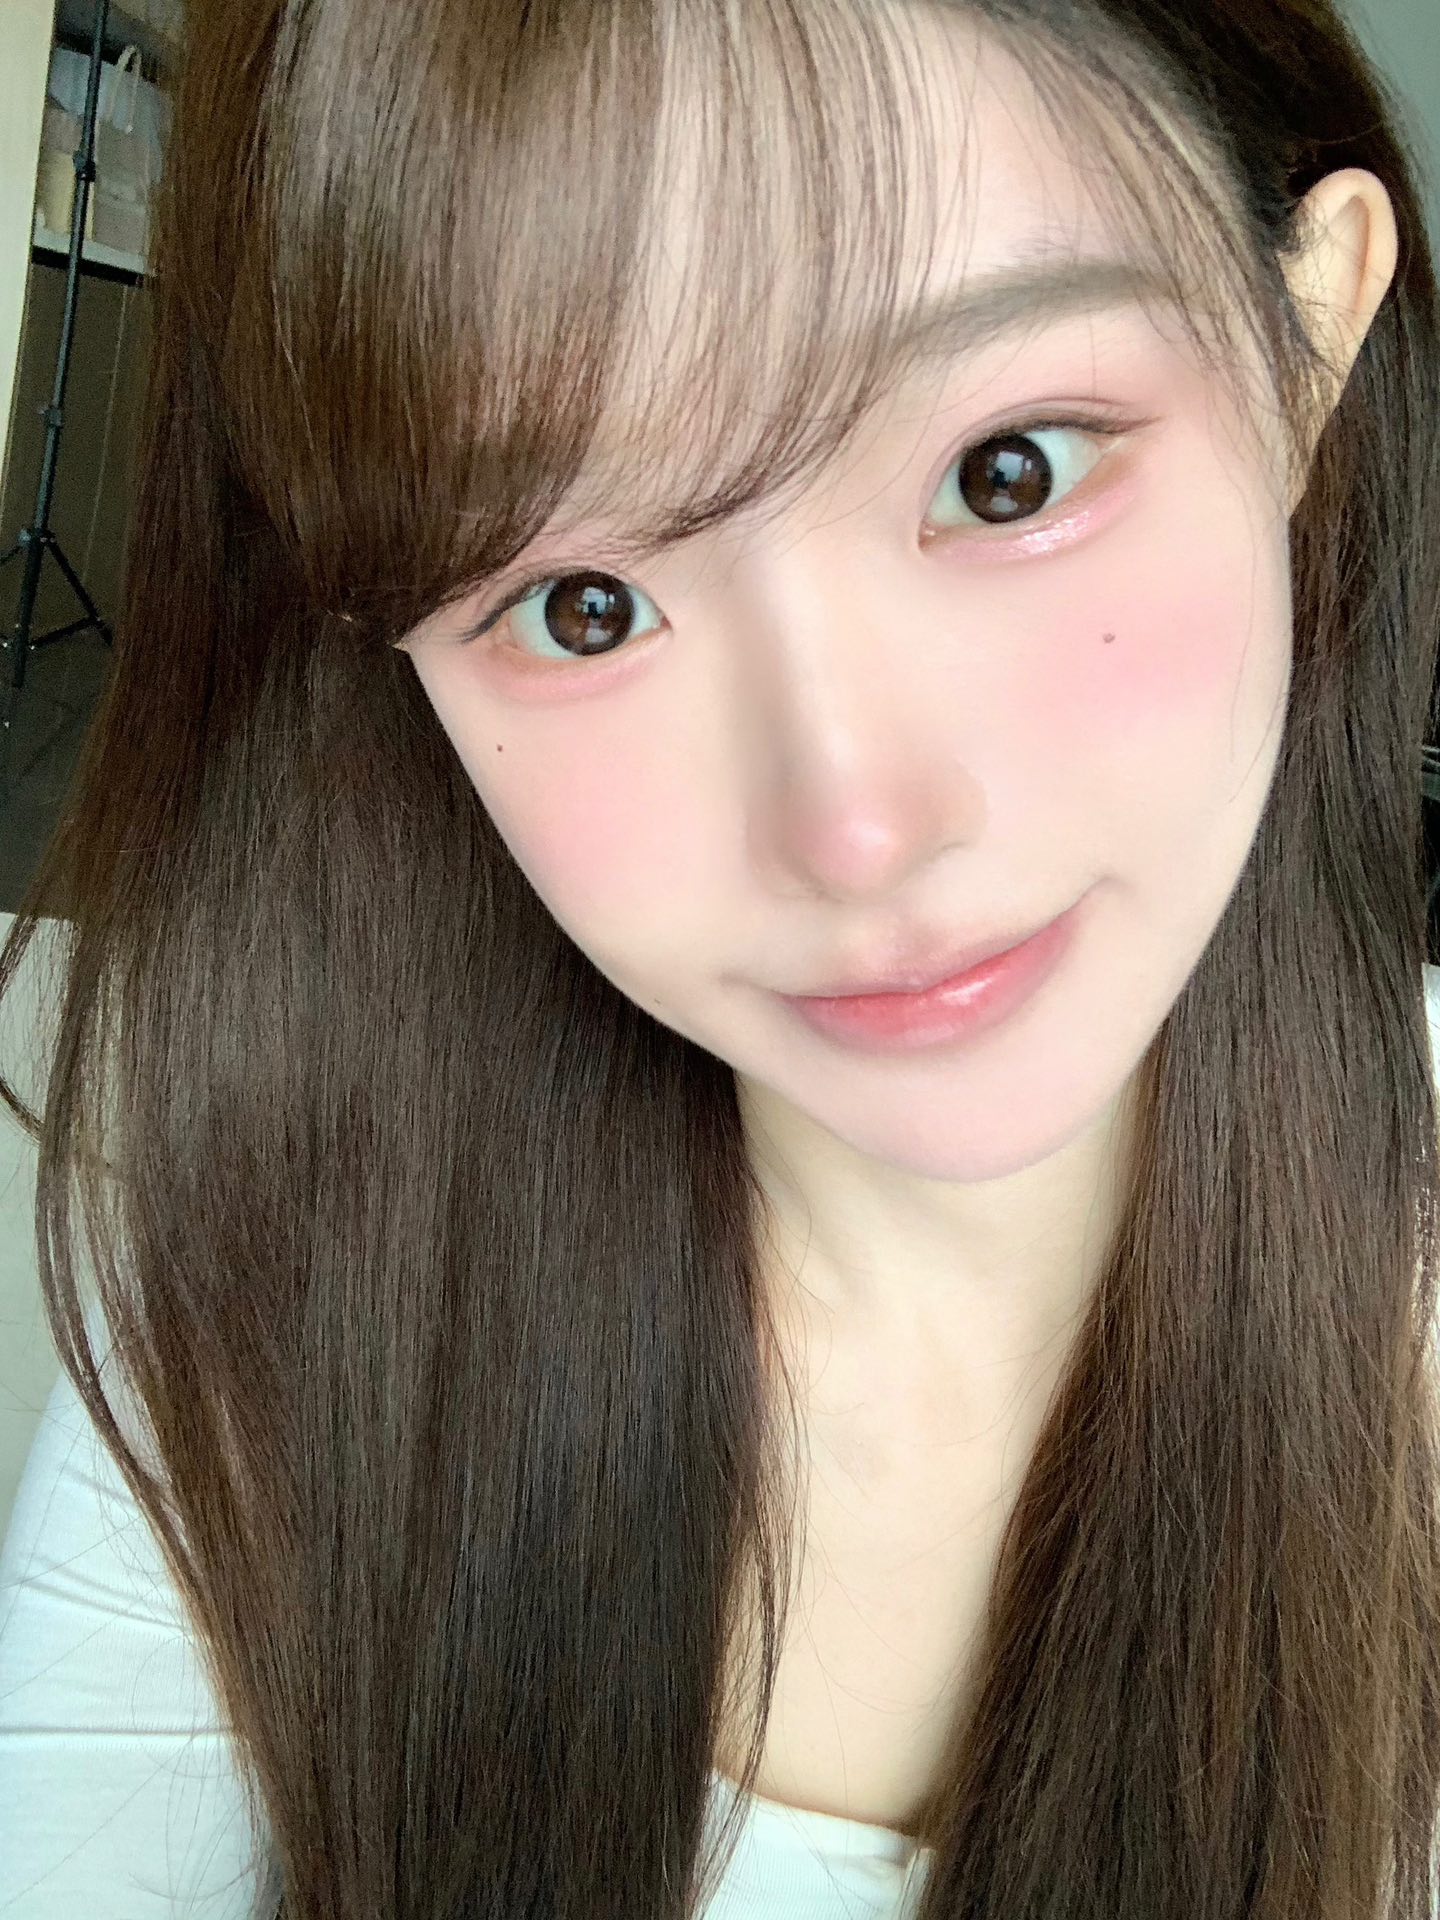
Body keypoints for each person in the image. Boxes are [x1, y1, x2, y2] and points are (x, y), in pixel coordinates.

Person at [2, 1, 1439, 1915]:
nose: (856, 829)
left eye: (1007, 471)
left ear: (1311, 336)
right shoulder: (265, 1307)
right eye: (581, 605)